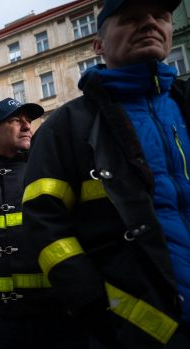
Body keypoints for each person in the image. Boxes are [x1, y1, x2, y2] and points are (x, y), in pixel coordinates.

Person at [22, 0, 190, 347]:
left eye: (160, 16)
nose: (149, 23)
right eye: (131, 18)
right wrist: (96, 306)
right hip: (140, 326)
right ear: (98, 44)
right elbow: (44, 226)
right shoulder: (66, 127)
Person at [0, 98, 89, 349]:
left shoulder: (51, 171)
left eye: (28, 121)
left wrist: (79, 296)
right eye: (15, 120)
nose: (26, 127)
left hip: (56, 315)